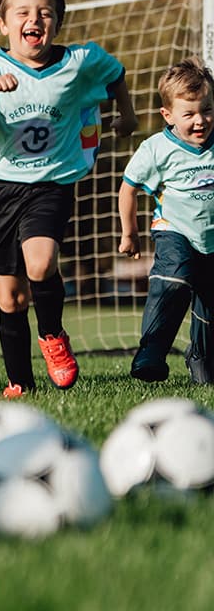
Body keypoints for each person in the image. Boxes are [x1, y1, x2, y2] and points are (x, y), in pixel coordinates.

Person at [0, 0, 137, 398]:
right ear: (3, 24)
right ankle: (20, 382)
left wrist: (126, 117)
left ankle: (53, 335)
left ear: (57, 22)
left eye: (45, 12)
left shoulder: (80, 61)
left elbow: (115, 74)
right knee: (10, 298)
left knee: (40, 263)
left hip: (51, 184)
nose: (34, 19)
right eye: (23, 12)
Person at [118, 56, 214, 384]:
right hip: (174, 231)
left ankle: (201, 358)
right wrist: (129, 234)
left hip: (211, 239)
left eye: (207, 110)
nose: (200, 121)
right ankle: (152, 353)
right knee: (174, 280)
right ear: (168, 115)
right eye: (189, 114)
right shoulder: (156, 149)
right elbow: (128, 188)